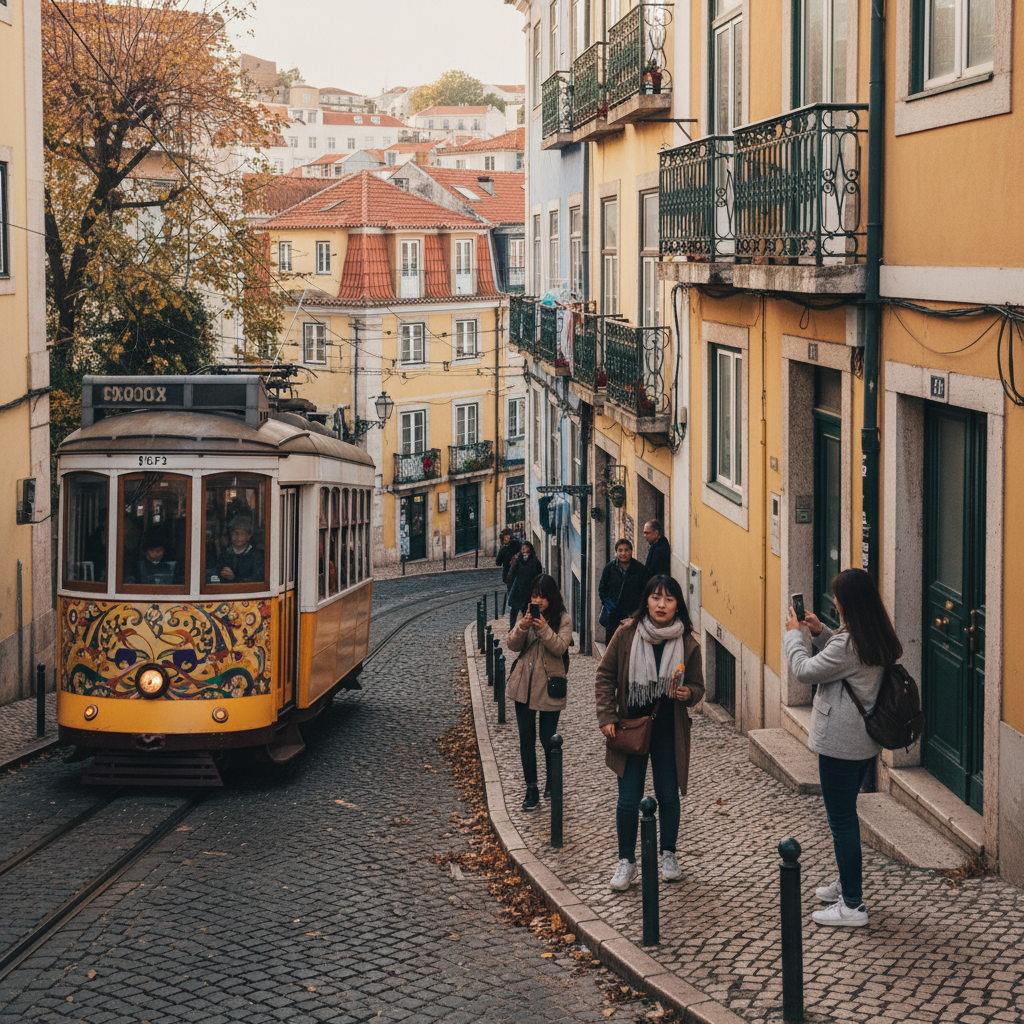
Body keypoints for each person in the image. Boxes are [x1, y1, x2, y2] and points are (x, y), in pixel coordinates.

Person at [783, 567, 903, 928]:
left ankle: (852, 904)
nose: (833, 600)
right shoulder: (874, 635)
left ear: (848, 602)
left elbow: (805, 670)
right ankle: (845, 883)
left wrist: (794, 636)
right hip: (862, 744)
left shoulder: (848, 644)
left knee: (842, 822)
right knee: (845, 817)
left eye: (837, 595)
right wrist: (820, 632)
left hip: (840, 745)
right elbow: (841, 660)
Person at [595, 574, 705, 890]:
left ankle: (668, 853)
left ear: (677, 606)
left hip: (669, 730)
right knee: (628, 800)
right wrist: (606, 715)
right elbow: (604, 677)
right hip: (629, 727)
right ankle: (626, 861)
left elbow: (698, 686)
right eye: (656, 597)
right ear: (647, 600)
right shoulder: (627, 633)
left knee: (669, 796)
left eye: (668, 599)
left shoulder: (686, 642)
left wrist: (689, 695)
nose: (661, 604)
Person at [505, 574, 573, 811]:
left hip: (550, 687)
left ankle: (552, 781)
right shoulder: (525, 616)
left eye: (543, 596)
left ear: (551, 596)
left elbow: (560, 647)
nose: (539, 600)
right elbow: (512, 645)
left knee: (548, 739)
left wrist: (544, 628)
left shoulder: (563, 619)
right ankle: (531, 788)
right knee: (526, 740)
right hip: (523, 685)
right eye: (535, 596)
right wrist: (522, 627)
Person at [598, 538, 647, 644]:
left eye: (626, 550)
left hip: (632, 616)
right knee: (612, 646)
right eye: (620, 550)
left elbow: (645, 592)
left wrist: (638, 611)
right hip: (613, 615)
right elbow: (602, 589)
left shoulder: (640, 569)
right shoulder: (610, 568)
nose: (623, 553)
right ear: (616, 552)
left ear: (631, 552)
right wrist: (608, 605)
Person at [214, 515, 262, 583]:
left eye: (242, 534)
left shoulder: (255, 556)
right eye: (235, 533)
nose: (238, 537)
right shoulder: (225, 554)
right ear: (231, 534)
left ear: (249, 536)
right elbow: (216, 574)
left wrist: (235, 578)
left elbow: (256, 579)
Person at [507, 540, 543, 629]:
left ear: (530, 549)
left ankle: (528, 629)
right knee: (514, 610)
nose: (523, 549)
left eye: (525, 548)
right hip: (518, 588)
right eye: (522, 548)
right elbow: (512, 572)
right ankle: (511, 628)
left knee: (526, 610)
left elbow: (538, 574)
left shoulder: (535, 561)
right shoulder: (518, 559)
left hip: (528, 589)